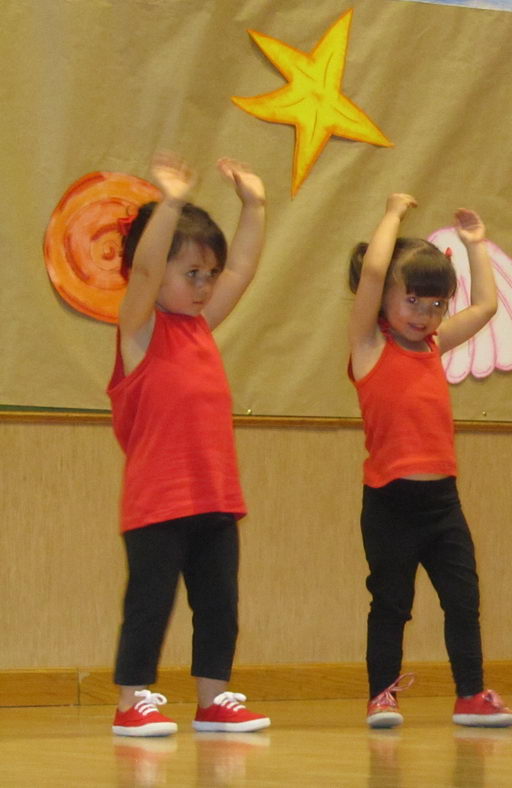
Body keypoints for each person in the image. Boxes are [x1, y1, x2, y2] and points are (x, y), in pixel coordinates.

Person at [108, 152, 270, 736]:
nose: (204, 286)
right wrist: (170, 202)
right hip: (157, 503)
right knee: (150, 605)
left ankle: (213, 699)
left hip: (216, 497)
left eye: (208, 275)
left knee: (219, 606)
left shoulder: (200, 326)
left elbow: (245, 268)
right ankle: (132, 700)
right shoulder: (139, 328)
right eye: (192, 274)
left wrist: (254, 206)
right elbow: (148, 275)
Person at [348, 193, 512, 728]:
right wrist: (392, 214)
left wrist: (476, 246)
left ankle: (470, 694)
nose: (426, 315)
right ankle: (382, 696)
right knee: (392, 605)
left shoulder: (434, 347)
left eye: (436, 305)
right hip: (390, 503)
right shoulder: (369, 346)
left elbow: (487, 307)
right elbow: (376, 270)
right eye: (413, 302)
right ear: (382, 303)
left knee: (463, 600)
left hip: (442, 503)